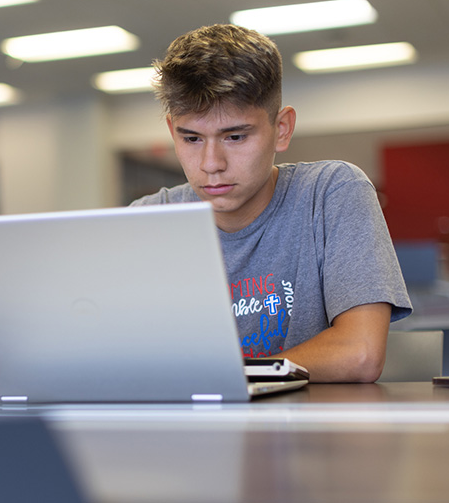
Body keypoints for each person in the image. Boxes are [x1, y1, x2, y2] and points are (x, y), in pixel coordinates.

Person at [131, 24, 412, 382]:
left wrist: (230, 380)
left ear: (281, 129)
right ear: (173, 132)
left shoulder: (331, 193)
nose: (211, 164)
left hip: (309, 419)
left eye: (235, 136)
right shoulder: (148, 220)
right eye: (192, 139)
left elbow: (360, 353)